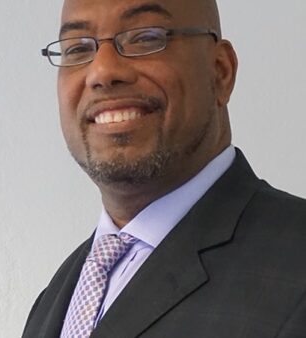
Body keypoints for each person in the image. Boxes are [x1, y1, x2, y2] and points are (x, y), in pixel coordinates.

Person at [22, 0, 306, 336]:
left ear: (220, 71)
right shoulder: (59, 295)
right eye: (78, 48)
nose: (102, 72)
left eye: (144, 37)